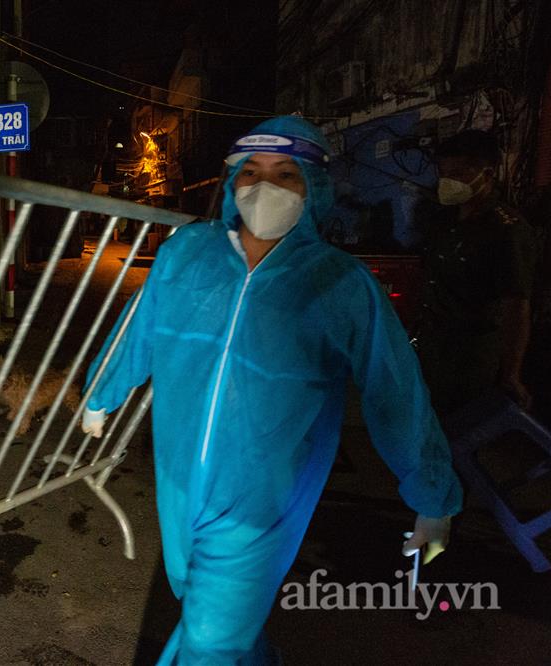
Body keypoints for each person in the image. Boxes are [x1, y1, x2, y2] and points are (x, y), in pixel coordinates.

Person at [80, 116, 463, 664]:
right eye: (252, 171)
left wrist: (431, 497)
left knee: (209, 639)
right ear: (233, 182)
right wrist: (103, 392)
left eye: (287, 173)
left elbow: (394, 392)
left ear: (315, 188)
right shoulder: (187, 252)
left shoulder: (340, 283)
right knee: (206, 606)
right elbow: (140, 327)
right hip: (180, 479)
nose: (266, 186)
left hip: (266, 497)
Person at [414, 130, 538, 416]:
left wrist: (511, 373)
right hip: (432, 349)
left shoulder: (506, 230)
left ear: (488, 174)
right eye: (444, 173)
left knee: (459, 434)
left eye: (457, 173)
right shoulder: (445, 221)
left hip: (471, 359)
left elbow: (517, 306)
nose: (448, 182)